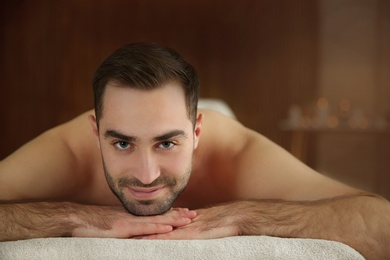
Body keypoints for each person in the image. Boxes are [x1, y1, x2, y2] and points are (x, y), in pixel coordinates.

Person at [0, 42, 389, 259]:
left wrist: (243, 215)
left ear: (198, 131)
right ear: (95, 131)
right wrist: (69, 217)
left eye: (167, 143)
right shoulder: (68, 151)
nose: (147, 175)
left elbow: (381, 224)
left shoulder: (238, 155)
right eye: (122, 143)